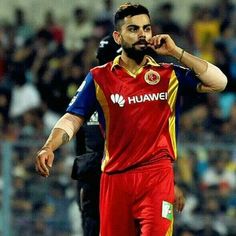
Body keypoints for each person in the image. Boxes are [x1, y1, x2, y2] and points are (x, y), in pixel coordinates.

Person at [35, 3, 227, 235]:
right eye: (134, 29)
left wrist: (177, 52)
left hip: (157, 177)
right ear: (118, 37)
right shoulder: (99, 77)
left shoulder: (168, 74)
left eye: (146, 28)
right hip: (115, 180)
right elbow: (73, 117)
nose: (142, 35)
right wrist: (49, 147)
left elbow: (219, 82)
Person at [72, 34, 185, 236]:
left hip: (120, 180)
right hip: (102, 182)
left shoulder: (142, 93)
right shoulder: (96, 88)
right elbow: (80, 139)